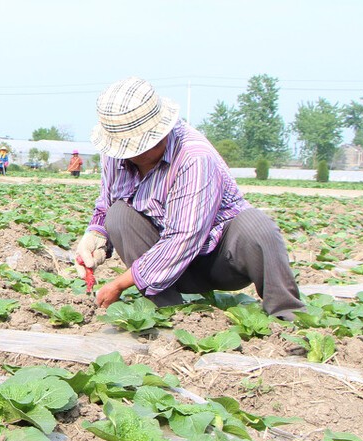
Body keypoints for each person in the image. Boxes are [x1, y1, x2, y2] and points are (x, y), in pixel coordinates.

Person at [74, 77, 303, 320]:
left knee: (257, 226)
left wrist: (119, 284)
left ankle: (287, 315)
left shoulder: (194, 157)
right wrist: (96, 236)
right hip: (168, 269)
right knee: (118, 214)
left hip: (218, 261)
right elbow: (107, 202)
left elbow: (184, 238)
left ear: (159, 133)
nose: (128, 155)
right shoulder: (115, 153)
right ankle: (167, 312)